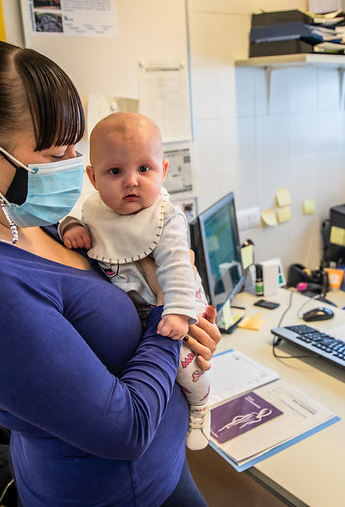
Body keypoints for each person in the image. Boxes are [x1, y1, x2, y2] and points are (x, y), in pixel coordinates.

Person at [0, 38, 221, 506]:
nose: (75, 167)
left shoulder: (30, 221)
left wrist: (187, 329)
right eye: (56, 155)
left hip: (163, 470)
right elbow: (126, 430)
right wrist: (165, 319)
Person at [59, 112, 211, 450]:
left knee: (186, 366)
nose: (131, 181)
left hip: (177, 299)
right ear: (94, 178)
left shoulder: (165, 217)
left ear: (163, 171)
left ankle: (200, 406)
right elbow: (72, 219)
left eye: (144, 169)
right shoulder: (95, 210)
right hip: (144, 311)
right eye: (115, 171)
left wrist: (175, 311)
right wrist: (72, 229)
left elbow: (176, 266)